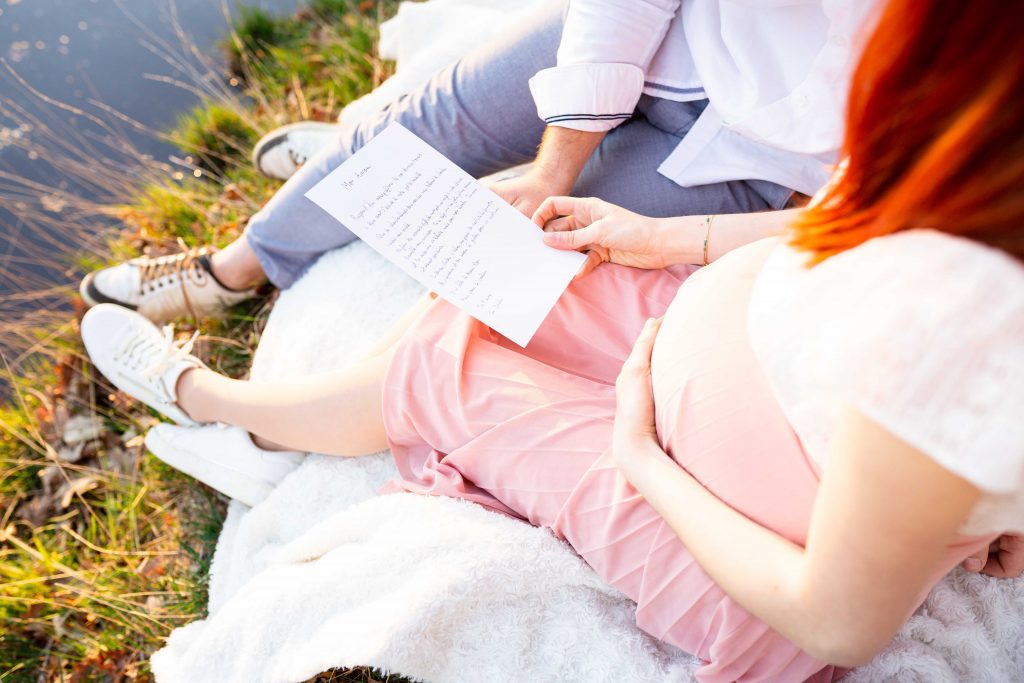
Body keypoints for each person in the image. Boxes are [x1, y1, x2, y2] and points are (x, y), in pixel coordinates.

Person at [82, 0, 1024, 681]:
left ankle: (219, 408)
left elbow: (835, 623)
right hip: (745, 339)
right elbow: (864, 222)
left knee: (451, 364)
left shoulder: (955, 330)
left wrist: (640, 457)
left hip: (722, 510)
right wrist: (675, 244)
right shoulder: (968, 191)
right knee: (504, 286)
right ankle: (278, 325)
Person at [78, 0, 872, 323]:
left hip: (775, 167)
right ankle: (232, 272)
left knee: (522, 255)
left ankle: (389, 185)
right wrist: (553, 162)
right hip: (676, 36)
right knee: (427, 122)